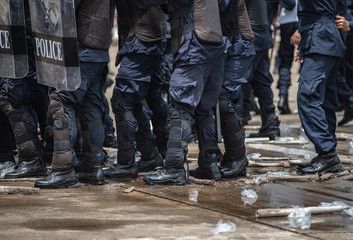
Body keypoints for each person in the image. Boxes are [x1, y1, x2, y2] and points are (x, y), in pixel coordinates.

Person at [144, 0, 230, 185]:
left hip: (194, 43)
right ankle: (209, 165)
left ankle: (174, 168)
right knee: (204, 109)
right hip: (214, 43)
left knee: (180, 106)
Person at [35, 0, 115, 188]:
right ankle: (93, 168)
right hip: (98, 51)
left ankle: (63, 169)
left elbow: (61, 11)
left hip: (79, 51)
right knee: (90, 108)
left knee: (61, 102)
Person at [103, 1, 166, 178]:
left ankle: (126, 163)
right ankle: (149, 155)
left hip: (142, 39)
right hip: (143, 38)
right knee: (133, 100)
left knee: (122, 100)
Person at [296, 0, 346, 175]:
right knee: (324, 100)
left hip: (321, 37)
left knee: (308, 96)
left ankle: (327, 153)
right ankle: (326, 154)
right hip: (323, 38)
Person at [0, 0, 47, 179]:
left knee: (13, 98)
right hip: (6, 35)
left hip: (21, 38)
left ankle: (32, 159)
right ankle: (5, 157)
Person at [218, 0, 255, 178]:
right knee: (222, 101)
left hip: (239, 44)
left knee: (225, 101)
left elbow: (221, 5)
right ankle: (231, 156)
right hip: (227, 45)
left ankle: (238, 158)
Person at [245, 0, 281, 140]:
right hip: (260, 34)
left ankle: (236, 127)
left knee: (239, 83)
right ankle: (270, 124)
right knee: (262, 81)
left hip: (248, 35)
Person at [276, 0, 298, 114]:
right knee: (308, 60)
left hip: (286, 21)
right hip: (302, 20)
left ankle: (283, 97)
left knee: (285, 61)